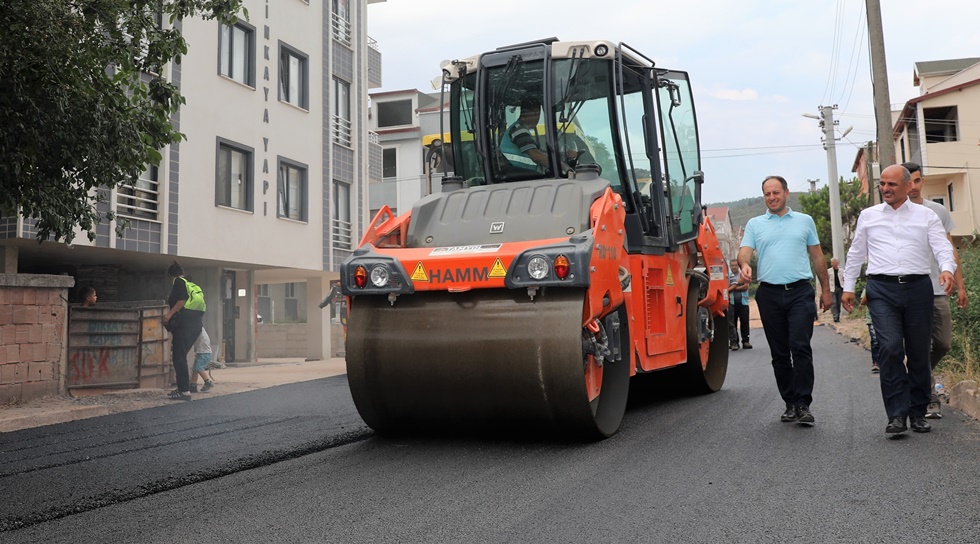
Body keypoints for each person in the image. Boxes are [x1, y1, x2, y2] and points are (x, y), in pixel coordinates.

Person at [841, 165, 956, 435]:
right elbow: (856, 253)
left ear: (907, 186)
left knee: (918, 353)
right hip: (881, 289)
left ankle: (917, 413)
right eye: (882, 184)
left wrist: (947, 269)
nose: (885, 189)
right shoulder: (868, 216)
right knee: (890, 348)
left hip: (918, 288)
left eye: (892, 184)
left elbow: (941, 246)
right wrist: (847, 287)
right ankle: (896, 414)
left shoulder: (926, 216)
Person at [738, 176, 831, 425]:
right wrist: (745, 264)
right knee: (779, 353)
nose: (772, 197)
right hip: (769, 294)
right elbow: (744, 252)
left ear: (786, 193)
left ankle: (803, 404)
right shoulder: (755, 224)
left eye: (776, 192)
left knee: (800, 346)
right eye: (767, 194)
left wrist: (826, 290)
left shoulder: (805, 221)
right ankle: (789, 403)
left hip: (800, 291)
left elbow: (818, 257)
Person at [903, 161, 968, 419]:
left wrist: (960, 284)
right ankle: (930, 399)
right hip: (910, 290)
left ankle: (916, 371)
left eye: (917, 181)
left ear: (922, 181)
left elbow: (951, 250)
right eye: (909, 182)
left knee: (942, 343)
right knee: (919, 344)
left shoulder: (937, 211)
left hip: (938, 287)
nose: (913, 187)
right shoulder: (896, 212)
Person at [162, 261, 206, 401]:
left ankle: (184, 391)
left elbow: (181, 300)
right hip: (196, 325)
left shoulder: (179, 282)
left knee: (178, 357)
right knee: (181, 356)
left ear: (170, 275)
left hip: (184, 325)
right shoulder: (191, 284)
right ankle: (183, 387)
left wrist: (168, 315)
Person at [499, 97, 551, 174]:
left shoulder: (520, 129)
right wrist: (561, 166)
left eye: (538, 114)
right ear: (525, 114)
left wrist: (563, 155)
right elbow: (537, 156)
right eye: (535, 114)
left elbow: (541, 151)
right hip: (517, 177)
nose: (537, 118)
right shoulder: (519, 130)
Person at [728, 259, 751, 350]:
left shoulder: (743, 274)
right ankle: (734, 342)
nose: (734, 267)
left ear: (738, 266)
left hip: (743, 303)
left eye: (736, 265)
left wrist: (733, 287)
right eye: (732, 265)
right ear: (730, 266)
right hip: (732, 303)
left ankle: (745, 341)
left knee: (744, 322)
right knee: (732, 323)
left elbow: (746, 286)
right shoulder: (728, 275)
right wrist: (738, 284)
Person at [189, 327, 215, 393]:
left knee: (198, 367)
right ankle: (193, 385)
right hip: (202, 352)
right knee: (195, 369)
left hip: (204, 353)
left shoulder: (197, 329)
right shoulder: (200, 329)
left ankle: (207, 382)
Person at [861, 288, 880, 374]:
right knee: (875, 340)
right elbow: (863, 302)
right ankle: (876, 362)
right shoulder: (868, 287)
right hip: (872, 319)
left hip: (886, 318)